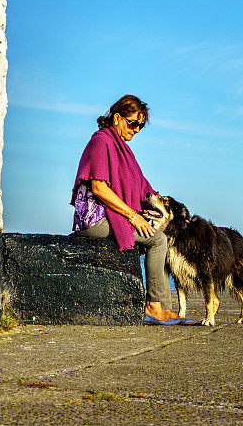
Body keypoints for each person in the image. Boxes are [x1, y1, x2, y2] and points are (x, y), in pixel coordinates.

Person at [71, 94, 179, 324]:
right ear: (117, 117)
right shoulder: (101, 141)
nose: (137, 130)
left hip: (109, 216)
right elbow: (99, 188)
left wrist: (157, 201)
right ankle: (153, 306)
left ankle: (165, 308)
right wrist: (132, 216)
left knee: (159, 236)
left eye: (140, 125)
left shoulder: (122, 148)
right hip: (93, 219)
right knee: (157, 239)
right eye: (133, 123)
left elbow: (139, 183)